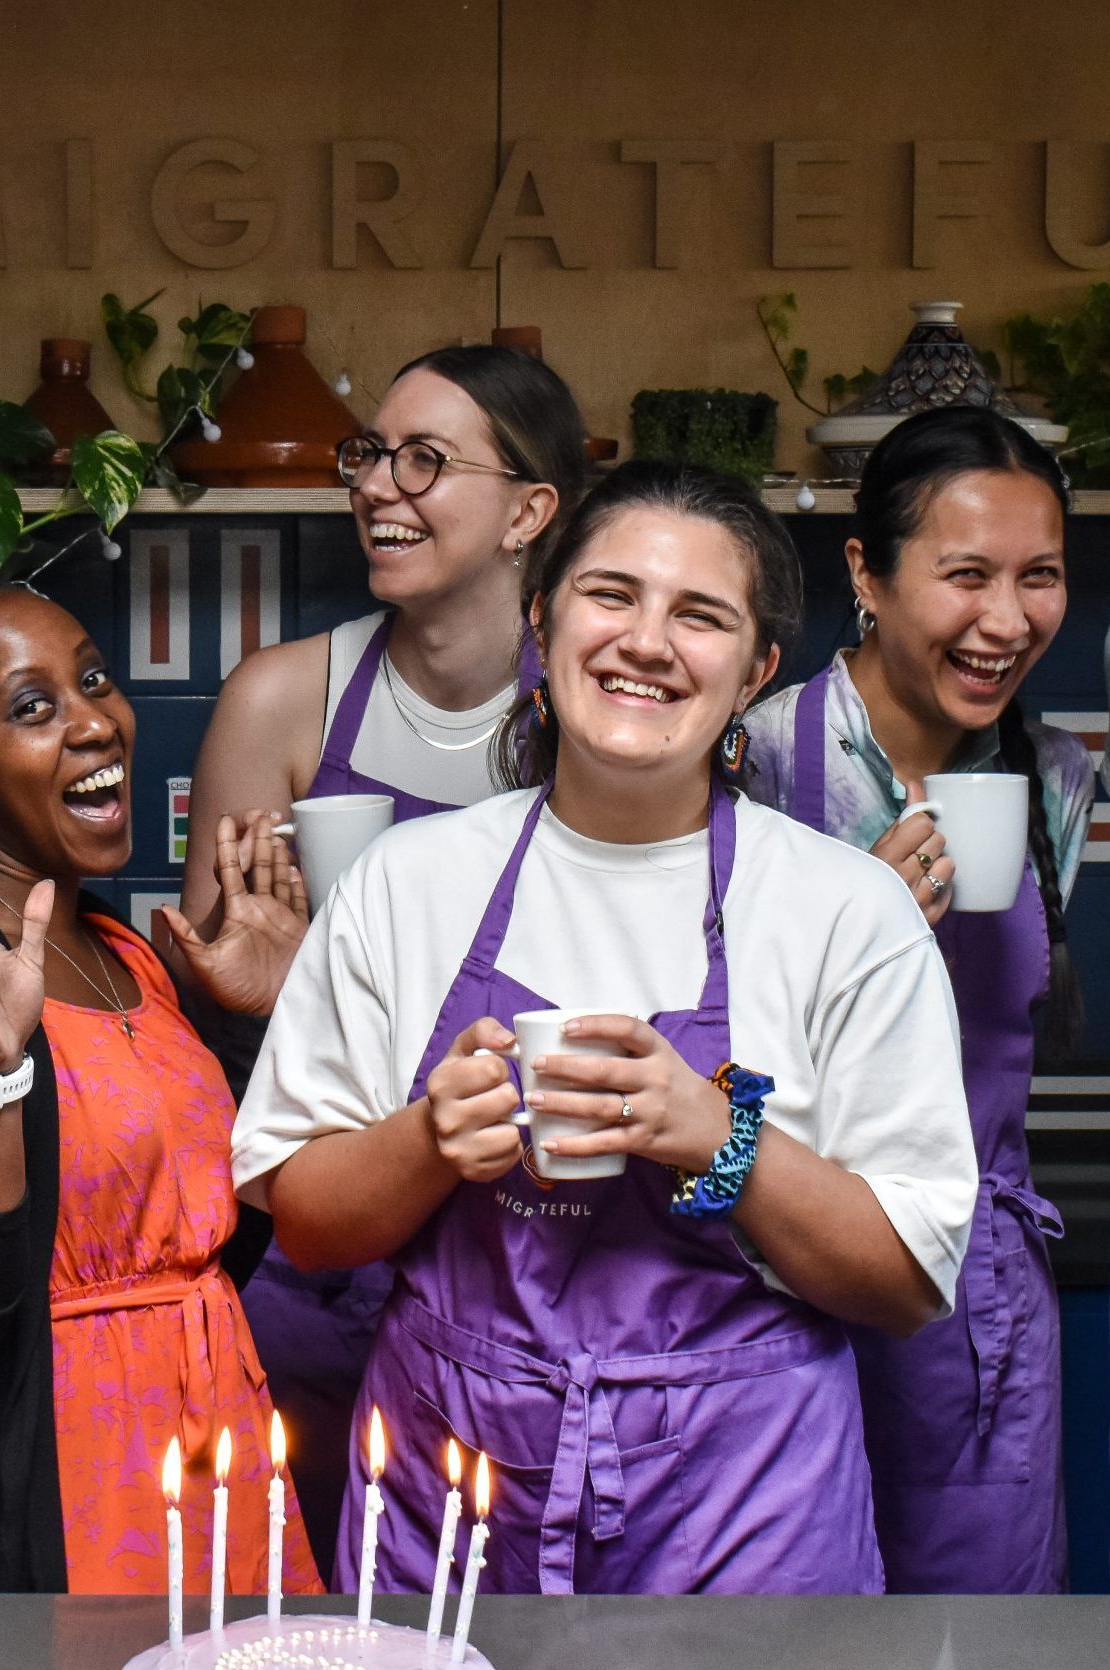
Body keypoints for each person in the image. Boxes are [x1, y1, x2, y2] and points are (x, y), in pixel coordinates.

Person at [233, 460, 980, 1594]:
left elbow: (908, 1281)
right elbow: (311, 1224)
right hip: (455, 1477)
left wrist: (717, 1135)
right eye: (611, 595)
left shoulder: (846, 912)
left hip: (747, 1497)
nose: (647, 641)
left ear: (754, 672)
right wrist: (429, 1141)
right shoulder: (406, 884)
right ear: (542, 625)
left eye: (701, 615)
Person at [0, 579, 321, 1594]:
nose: (93, 722)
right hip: (58, 1511)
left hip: (218, 1467)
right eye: (34, 708)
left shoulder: (129, 950)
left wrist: (257, 1021)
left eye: (91, 680)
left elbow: (208, 1248)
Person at [179, 343, 587, 1566]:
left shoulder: (603, 708)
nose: (376, 487)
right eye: (370, 455)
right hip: (328, 1255)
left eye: (426, 460)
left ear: (529, 509)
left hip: (535, 1253)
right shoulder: (281, 700)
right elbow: (221, 1012)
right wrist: (295, 974)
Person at [744, 406, 1090, 1593]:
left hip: (974, 1315)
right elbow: (680, 1051)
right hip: (771, 1297)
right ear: (867, 575)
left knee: (978, 1655)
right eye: (966, 576)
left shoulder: (1056, 777)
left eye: (1039, 576)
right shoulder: (749, 761)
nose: (1008, 619)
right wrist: (851, 938)